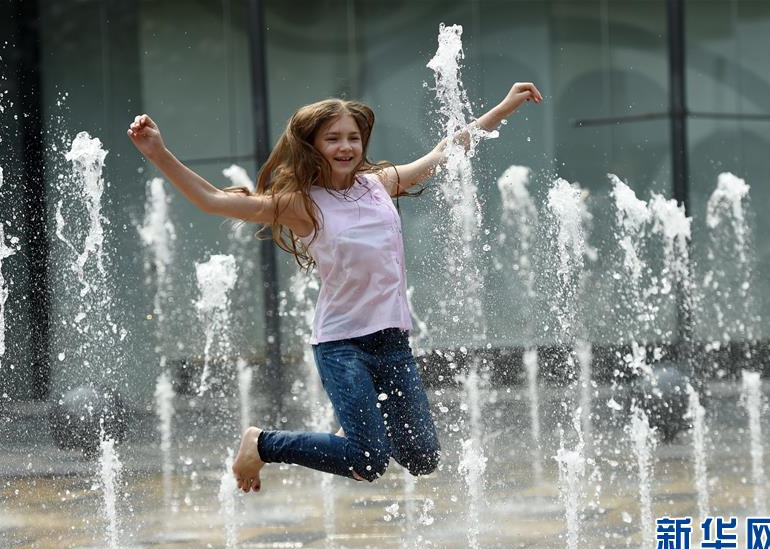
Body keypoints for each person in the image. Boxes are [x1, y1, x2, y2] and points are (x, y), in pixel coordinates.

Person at [127, 81, 543, 493]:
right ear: (313, 145)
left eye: (353, 138)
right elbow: (213, 200)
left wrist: (504, 107)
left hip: (393, 341)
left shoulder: (379, 184)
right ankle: (262, 443)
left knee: (422, 458)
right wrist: (157, 152)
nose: (346, 147)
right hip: (343, 345)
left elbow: (445, 152)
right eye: (333, 139)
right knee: (369, 460)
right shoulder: (301, 203)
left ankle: (360, 423)